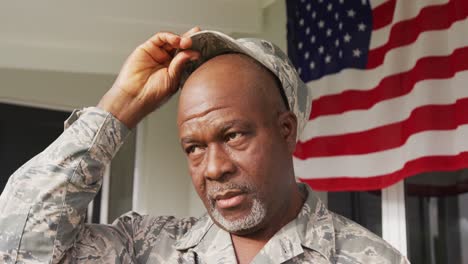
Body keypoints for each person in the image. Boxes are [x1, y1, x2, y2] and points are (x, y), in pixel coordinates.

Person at [0, 27, 409, 264]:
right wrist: (120, 106)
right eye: (193, 147)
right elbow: (15, 245)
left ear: (286, 131)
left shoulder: (370, 260)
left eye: (232, 136)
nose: (213, 168)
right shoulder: (145, 247)